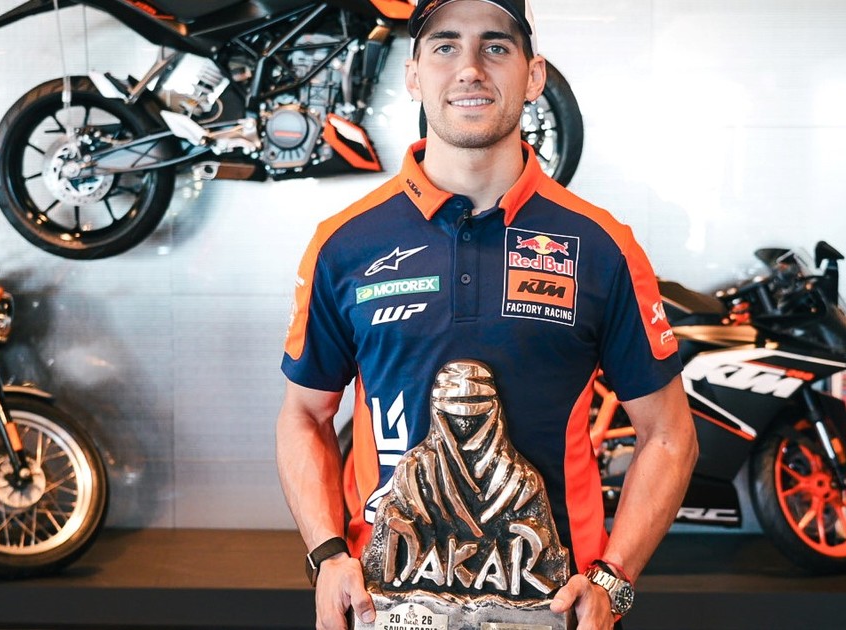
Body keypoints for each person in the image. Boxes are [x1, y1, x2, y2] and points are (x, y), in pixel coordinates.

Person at [275, 1, 698, 628]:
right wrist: (328, 554)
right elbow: (305, 416)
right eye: (445, 46)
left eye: (496, 46)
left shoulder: (602, 247)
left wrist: (614, 579)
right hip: (386, 609)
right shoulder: (345, 245)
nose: (470, 67)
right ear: (414, 76)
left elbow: (668, 434)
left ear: (534, 76)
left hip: (554, 612)